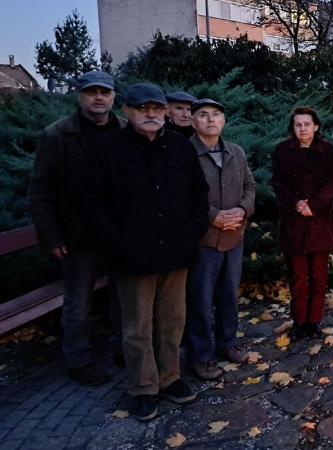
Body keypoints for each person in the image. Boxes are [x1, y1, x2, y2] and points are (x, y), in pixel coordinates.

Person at [88, 83, 209, 421]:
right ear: (127, 111)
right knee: (137, 326)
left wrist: (192, 233)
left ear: (166, 111)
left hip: (176, 251)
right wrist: (118, 244)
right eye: (144, 109)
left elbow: (199, 194)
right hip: (132, 257)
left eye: (157, 108)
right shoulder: (109, 149)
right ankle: (143, 387)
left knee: (172, 321)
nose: (152, 114)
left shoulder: (179, 147)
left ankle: (170, 378)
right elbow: (95, 205)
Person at [29, 70, 126, 386]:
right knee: (78, 301)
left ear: (113, 97)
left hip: (117, 232)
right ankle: (79, 360)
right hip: (77, 235)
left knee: (122, 297)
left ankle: (123, 350)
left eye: (105, 92)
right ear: (79, 95)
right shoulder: (58, 135)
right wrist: (51, 237)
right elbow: (41, 191)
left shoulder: (124, 129)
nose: (99, 97)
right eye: (91, 91)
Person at [184, 99, 256, 380]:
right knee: (200, 299)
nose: (210, 120)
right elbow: (182, 195)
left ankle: (227, 343)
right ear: (193, 122)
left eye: (216, 114)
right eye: (203, 115)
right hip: (203, 240)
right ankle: (200, 355)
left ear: (224, 121)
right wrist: (213, 216)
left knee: (229, 294)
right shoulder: (185, 153)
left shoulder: (235, 152)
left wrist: (242, 209)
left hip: (234, 236)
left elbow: (250, 185)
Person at [272, 107, 333, 340]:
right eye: (298, 124)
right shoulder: (282, 151)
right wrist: (296, 204)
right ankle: (299, 321)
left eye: (307, 124)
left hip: (319, 221)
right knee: (298, 276)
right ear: (293, 127)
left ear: (316, 126)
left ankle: (314, 321)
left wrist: (314, 204)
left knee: (319, 275)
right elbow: (278, 183)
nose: (302, 129)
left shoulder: (329, 151)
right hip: (294, 222)